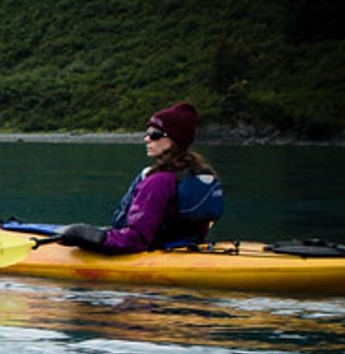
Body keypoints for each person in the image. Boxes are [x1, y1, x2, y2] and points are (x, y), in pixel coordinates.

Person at [54, 101, 224, 253]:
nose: (147, 138)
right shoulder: (198, 173)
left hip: (156, 249)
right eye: (148, 132)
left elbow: (136, 240)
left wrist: (97, 239)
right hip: (186, 246)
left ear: (174, 140)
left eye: (155, 134)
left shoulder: (158, 182)